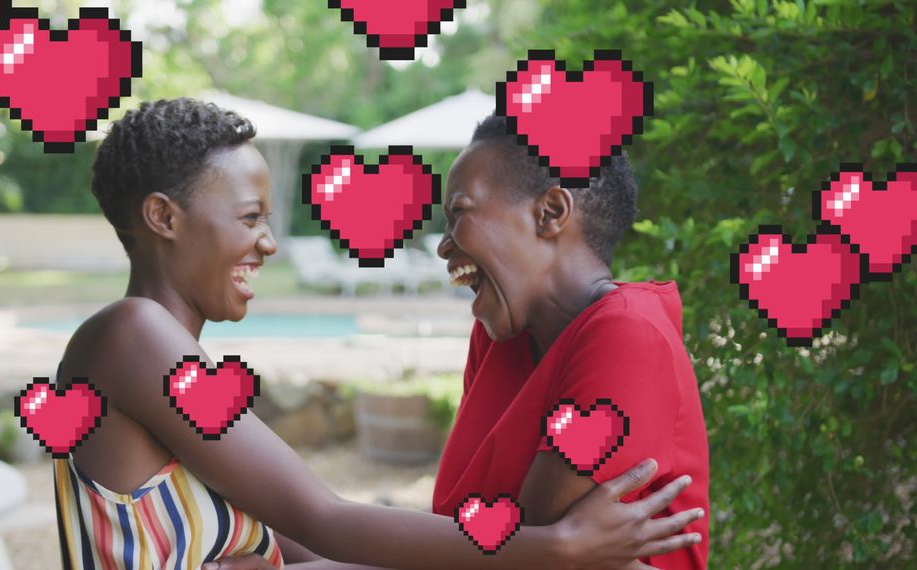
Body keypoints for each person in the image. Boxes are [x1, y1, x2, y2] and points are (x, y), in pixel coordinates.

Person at [53, 98, 705, 570]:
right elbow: (325, 520)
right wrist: (560, 549)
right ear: (164, 217)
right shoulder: (133, 336)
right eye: (250, 217)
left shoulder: (160, 358)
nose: (270, 243)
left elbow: (310, 536)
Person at [431, 115, 711, 569]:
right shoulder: (501, 336)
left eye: (459, 212)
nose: (444, 246)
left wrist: (548, 540)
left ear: (551, 213)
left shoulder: (628, 334)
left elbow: (530, 542)